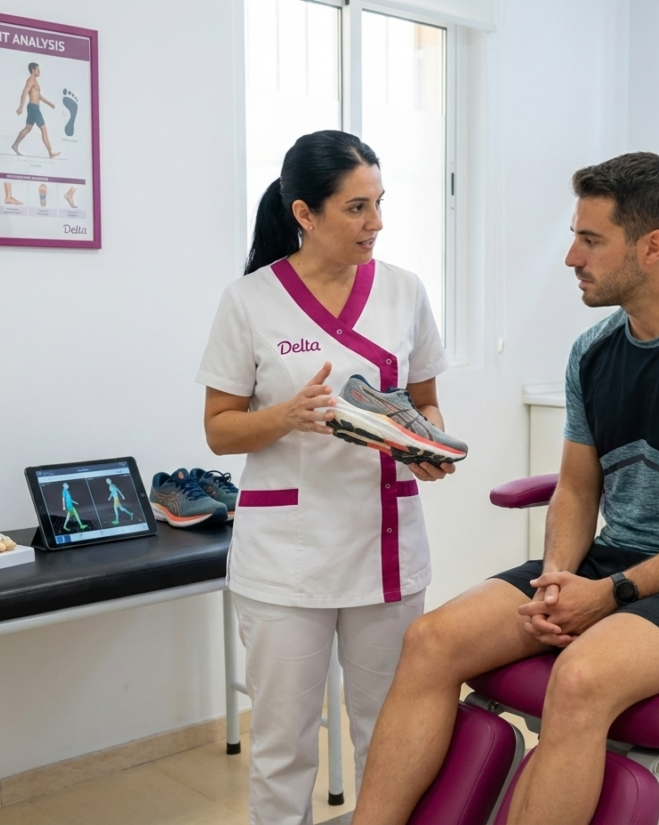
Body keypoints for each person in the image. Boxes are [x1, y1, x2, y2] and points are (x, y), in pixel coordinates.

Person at [351, 152, 659, 825]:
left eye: (590, 240)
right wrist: (557, 579)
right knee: (431, 641)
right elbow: (578, 489)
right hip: (608, 564)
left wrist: (611, 595)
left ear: (651, 247)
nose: (570, 257)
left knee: (580, 678)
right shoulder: (592, 352)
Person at [197, 130, 457, 825]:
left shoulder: (404, 292)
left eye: (378, 204)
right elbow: (219, 427)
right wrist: (286, 415)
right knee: (284, 747)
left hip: (388, 546)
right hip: (288, 555)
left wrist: (425, 440)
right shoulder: (249, 301)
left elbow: (426, 398)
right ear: (305, 213)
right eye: (356, 208)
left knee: (391, 733)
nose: (376, 223)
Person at [11, 63, 60, 159]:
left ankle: (15, 145)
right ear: (33, 70)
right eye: (38, 69)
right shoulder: (30, 81)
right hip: (34, 108)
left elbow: (38, 96)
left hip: (34, 107)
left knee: (28, 128)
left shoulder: (35, 81)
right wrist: (20, 107)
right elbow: (24, 93)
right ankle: (50, 152)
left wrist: (49, 103)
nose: (39, 71)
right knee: (43, 129)